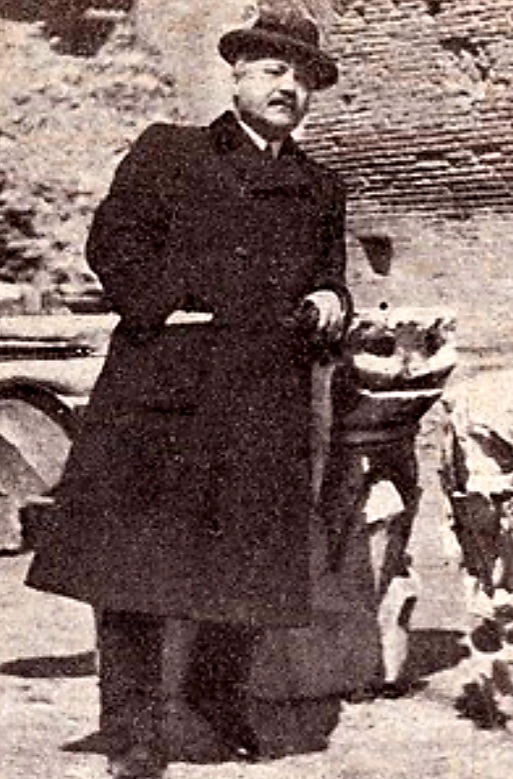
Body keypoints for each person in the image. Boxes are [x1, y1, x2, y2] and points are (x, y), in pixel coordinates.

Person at [26, 8, 352, 778]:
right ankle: (132, 729)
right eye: (273, 70)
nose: (289, 87)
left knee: (246, 561)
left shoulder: (319, 185)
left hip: (263, 397)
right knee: (133, 568)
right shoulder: (171, 151)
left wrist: (330, 300)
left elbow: (330, 276)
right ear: (236, 76)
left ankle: (215, 700)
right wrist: (166, 310)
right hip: (166, 392)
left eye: (303, 77)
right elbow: (114, 242)